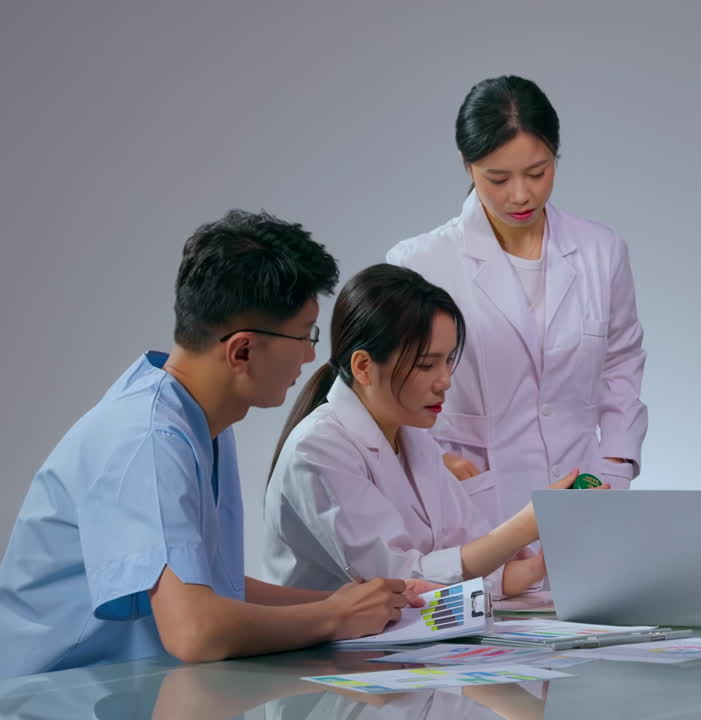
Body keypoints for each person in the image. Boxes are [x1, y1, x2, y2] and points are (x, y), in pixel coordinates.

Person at [0, 211, 426, 680]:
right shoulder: (147, 439)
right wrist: (335, 617)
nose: (310, 355)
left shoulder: (198, 421)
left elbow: (214, 589)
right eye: (305, 335)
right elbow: (195, 631)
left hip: (131, 689)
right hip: (51, 696)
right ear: (241, 351)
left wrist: (363, 603)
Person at [387, 75, 646, 531]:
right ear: (467, 165)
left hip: (584, 489)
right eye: (498, 178)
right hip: (471, 496)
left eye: (537, 172)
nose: (521, 194)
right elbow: (390, 385)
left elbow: (621, 363)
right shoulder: (420, 262)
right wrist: (431, 460)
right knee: (490, 596)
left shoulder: (601, 250)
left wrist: (617, 459)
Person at [264, 264, 596, 597]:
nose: (445, 381)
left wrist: (540, 560)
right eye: (426, 364)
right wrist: (526, 525)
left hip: (404, 634)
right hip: (330, 643)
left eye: (449, 360)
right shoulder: (319, 449)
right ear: (364, 367)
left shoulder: (413, 438)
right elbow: (402, 581)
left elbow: (465, 554)